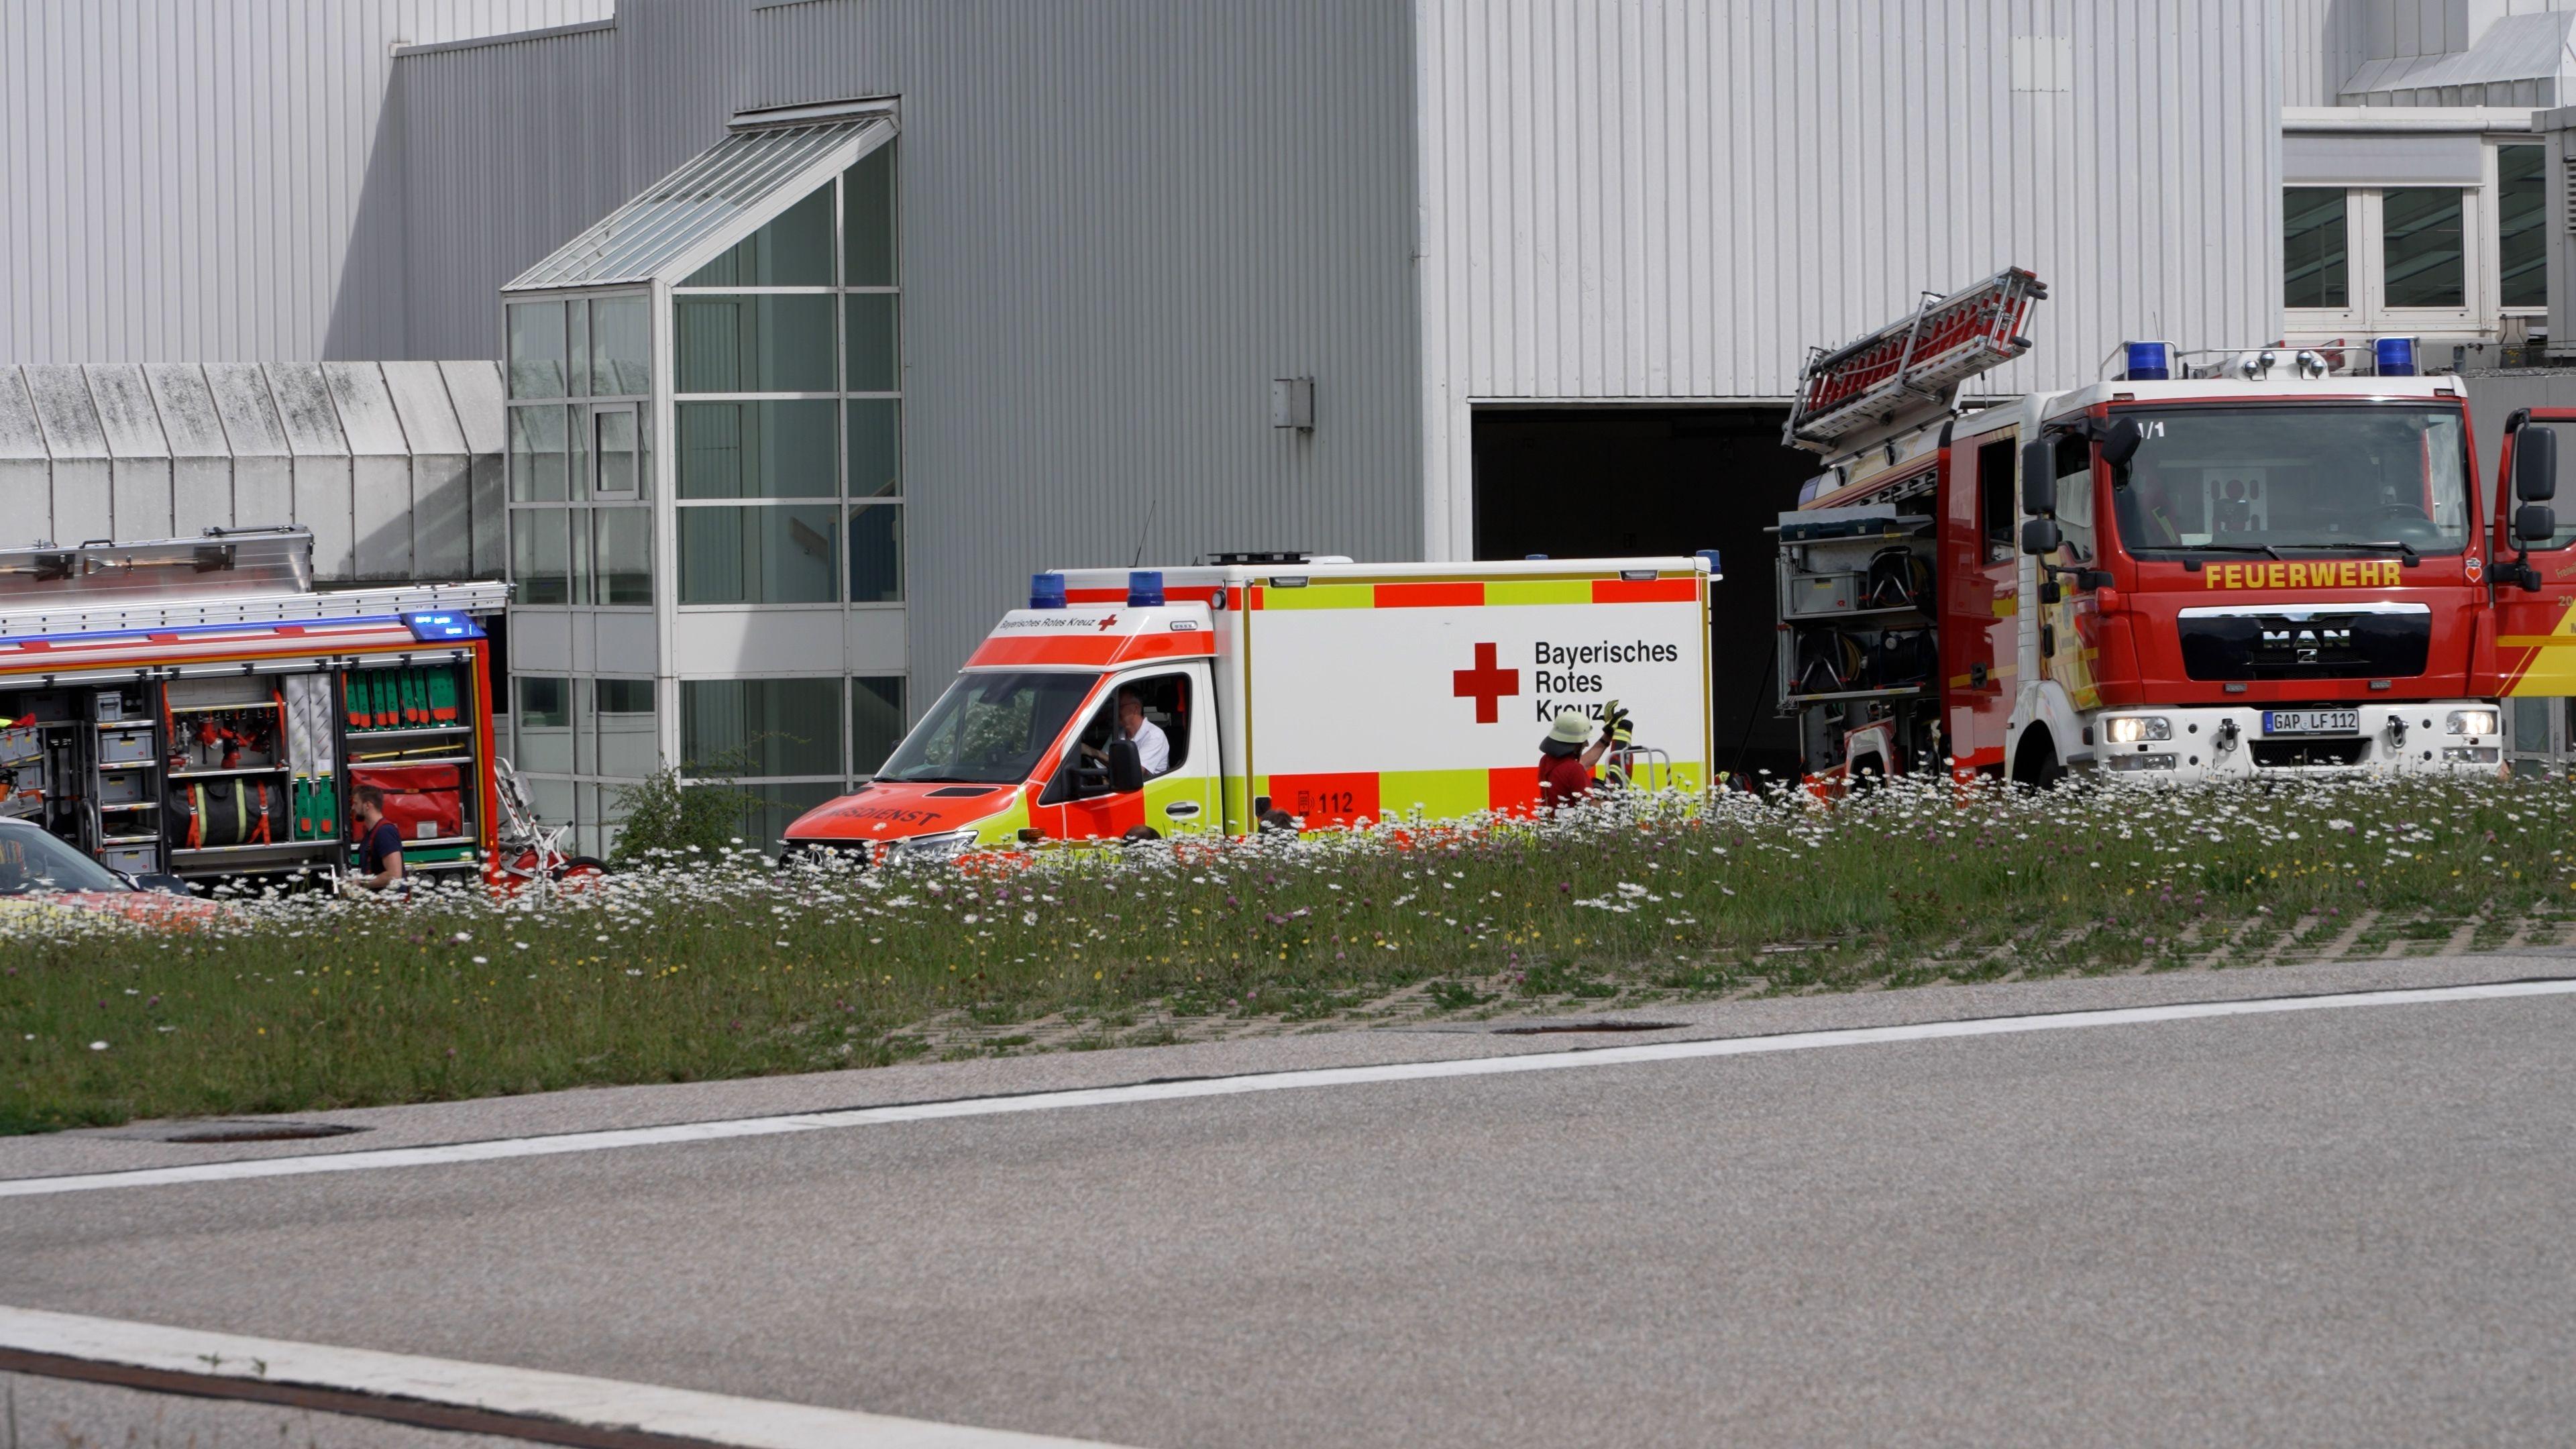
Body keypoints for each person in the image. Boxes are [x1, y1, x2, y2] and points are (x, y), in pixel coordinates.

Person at [1080, 689, 1170, 777]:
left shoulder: (1154, 735)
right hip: (1124, 788)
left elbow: (1135, 772)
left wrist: (1094, 753)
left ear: (1135, 709)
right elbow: (1099, 766)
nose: (1115, 711)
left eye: (1120, 706)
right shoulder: (1119, 733)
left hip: (1150, 790)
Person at [1537, 708, 1613, 810]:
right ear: (1575, 743)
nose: (1587, 744)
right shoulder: (1573, 769)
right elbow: (1591, 808)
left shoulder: (1546, 760)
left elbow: (1584, 764)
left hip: (1552, 822)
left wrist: (1607, 737)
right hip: (1574, 824)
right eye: (1584, 740)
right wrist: (1608, 798)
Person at [345, 784, 405, 893]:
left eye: (356, 803)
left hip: (390, 905)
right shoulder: (372, 832)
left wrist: (361, 883)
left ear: (368, 805)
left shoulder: (384, 832)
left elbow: (394, 875)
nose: (353, 808)